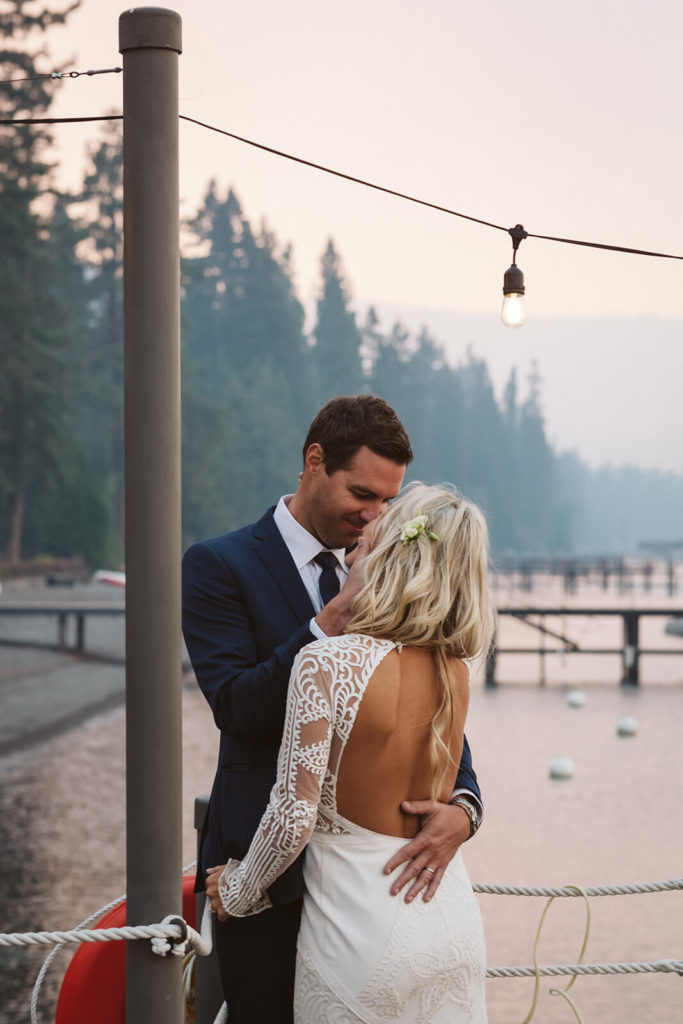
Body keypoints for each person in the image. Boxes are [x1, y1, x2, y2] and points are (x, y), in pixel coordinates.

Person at [182, 396, 483, 1023]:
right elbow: (236, 707)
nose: (373, 516)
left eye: (387, 503)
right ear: (314, 462)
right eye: (362, 494)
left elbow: (433, 714)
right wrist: (325, 624)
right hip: (264, 882)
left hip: (379, 896)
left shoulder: (397, 594)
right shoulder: (219, 565)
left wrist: (465, 807)